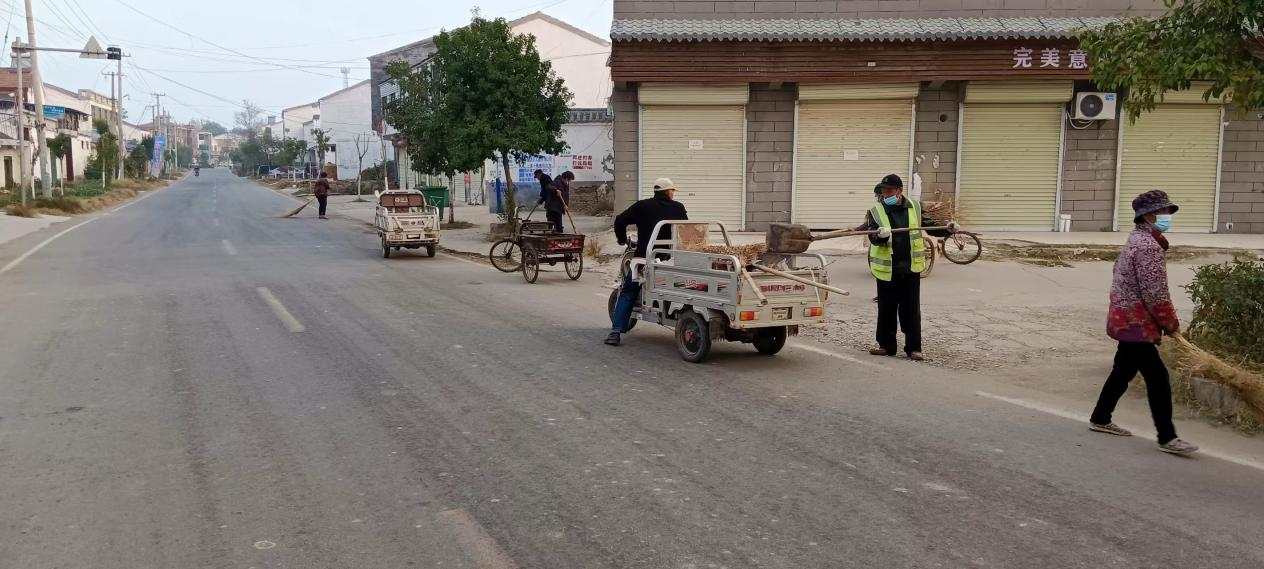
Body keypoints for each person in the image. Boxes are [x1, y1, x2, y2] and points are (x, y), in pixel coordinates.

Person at [1089, 190, 1198, 456]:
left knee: (1123, 370)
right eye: (1163, 211)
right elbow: (1155, 293)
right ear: (1148, 215)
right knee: (1158, 377)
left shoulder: (1136, 239)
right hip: (1137, 321)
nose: (1167, 216)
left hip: (1125, 316)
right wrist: (1170, 322)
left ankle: (1100, 417)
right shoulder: (1148, 247)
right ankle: (1167, 437)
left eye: (1168, 211)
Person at [862, 174, 954, 361]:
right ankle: (886, 346)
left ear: (899, 190)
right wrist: (880, 236)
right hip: (888, 269)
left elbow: (931, 226)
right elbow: (872, 236)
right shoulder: (875, 211)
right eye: (883, 191)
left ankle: (914, 348)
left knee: (911, 310)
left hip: (910, 268)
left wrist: (949, 229)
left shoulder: (915, 207)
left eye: (889, 190)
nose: (885, 194)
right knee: (886, 310)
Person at [606, 177, 688, 346]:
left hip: (644, 260)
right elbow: (686, 231)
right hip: (671, 260)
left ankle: (615, 332)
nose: (673, 193)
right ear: (667, 192)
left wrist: (621, 239)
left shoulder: (642, 206)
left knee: (628, 292)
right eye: (672, 190)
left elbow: (620, 220)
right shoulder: (678, 208)